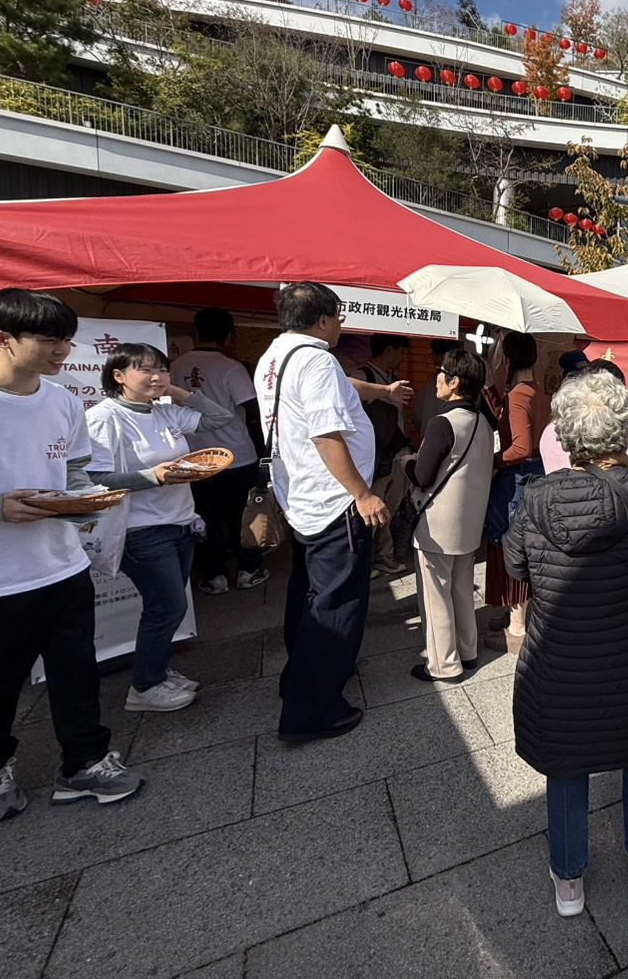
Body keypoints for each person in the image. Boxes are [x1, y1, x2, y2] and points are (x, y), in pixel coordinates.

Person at [0, 290, 143, 822]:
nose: (63, 350)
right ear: (2, 339)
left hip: (63, 568)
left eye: (67, 339)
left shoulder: (63, 401)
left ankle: (86, 762)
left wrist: (87, 501)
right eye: (49, 339)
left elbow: (75, 470)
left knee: (77, 676)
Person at [503, 370, 628, 917]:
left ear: (566, 434)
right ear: (623, 429)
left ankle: (569, 878)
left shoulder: (536, 498)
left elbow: (516, 567)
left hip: (558, 656)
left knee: (566, 760)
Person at [253, 282, 410, 742]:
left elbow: (344, 387)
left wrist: (382, 392)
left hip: (301, 497)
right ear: (322, 320)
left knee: (307, 592)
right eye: (338, 317)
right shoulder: (318, 360)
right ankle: (313, 709)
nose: (341, 325)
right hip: (334, 501)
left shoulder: (275, 357)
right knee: (336, 602)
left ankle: (299, 676)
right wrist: (362, 493)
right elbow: (326, 434)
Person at [87, 342, 235, 712]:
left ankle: (155, 671)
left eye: (162, 369)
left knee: (166, 606)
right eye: (145, 369)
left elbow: (221, 419)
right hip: (140, 529)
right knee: (167, 606)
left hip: (180, 521)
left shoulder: (164, 411)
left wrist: (178, 392)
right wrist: (155, 476)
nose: (156, 377)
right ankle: (145, 686)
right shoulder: (105, 418)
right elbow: (96, 479)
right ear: (119, 376)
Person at [406, 348, 495, 683]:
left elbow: (422, 475)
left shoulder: (442, 423)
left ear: (455, 382)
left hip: (438, 524)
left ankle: (443, 664)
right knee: (460, 589)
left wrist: (407, 464)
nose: (437, 379)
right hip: (470, 522)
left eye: (441, 373)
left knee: (435, 595)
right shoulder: (483, 423)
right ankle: (468, 651)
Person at [169, 308, 269, 597]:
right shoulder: (231, 367)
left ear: (195, 332)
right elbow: (253, 408)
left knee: (206, 517)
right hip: (238, 455)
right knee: (245, 516)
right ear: (229, 336)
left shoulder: (176, 366)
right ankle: (248, 569)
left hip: (195, 457)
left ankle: (215, 576)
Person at [482, 331, 549, 655]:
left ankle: (517, 627)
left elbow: (520, 447)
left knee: (508, 544)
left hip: (519, 477)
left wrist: (492, 459)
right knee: (522, 545)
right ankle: (513, 614)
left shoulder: (519, 395)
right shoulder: (540, 391)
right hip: (538, 474)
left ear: (507, 360)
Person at [357, 334, 413, 577]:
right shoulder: (363, 376)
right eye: (401, 352)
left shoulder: (392, 379)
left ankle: (383, 556)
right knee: (372, 512)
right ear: (389, 349)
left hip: (397, 454)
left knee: (390, 509)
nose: (403, 358)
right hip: (376, 457)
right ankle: (363, 561)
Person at [412, 338, 456, 442]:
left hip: (430, 442)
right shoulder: (465, 388)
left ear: (441, 357)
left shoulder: (428, 387)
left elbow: (417, 418)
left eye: (432, 355)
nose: (432, 360)